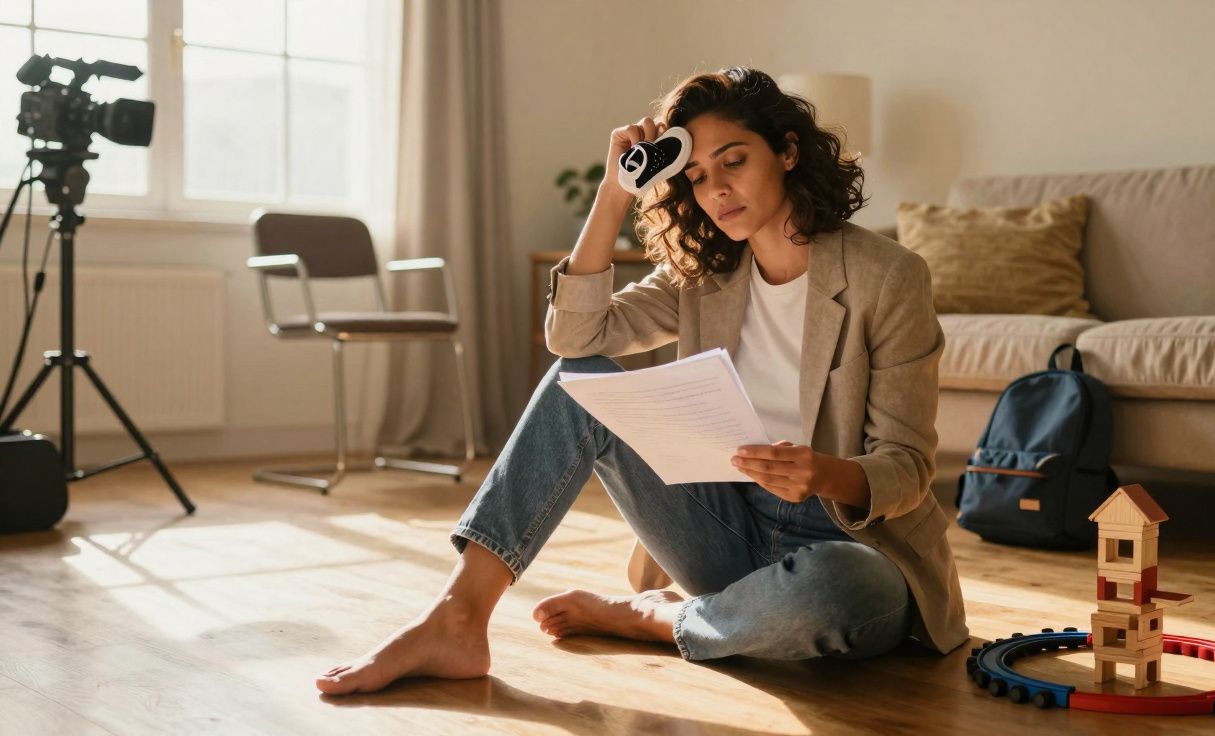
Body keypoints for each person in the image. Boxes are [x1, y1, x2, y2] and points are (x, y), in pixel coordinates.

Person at [316, 66, 968, 696]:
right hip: (722, 529)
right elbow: (575, 339)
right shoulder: (705, 275)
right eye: (696, 176)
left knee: (839, 588)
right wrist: (612, 192)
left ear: (788, 151)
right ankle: (458, 617)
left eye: (734, 161)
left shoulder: (889, 277)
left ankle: (656, 620)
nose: (716, 190)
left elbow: (907, 467)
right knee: (581, 380)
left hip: (846, 544)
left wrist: (822, 473)